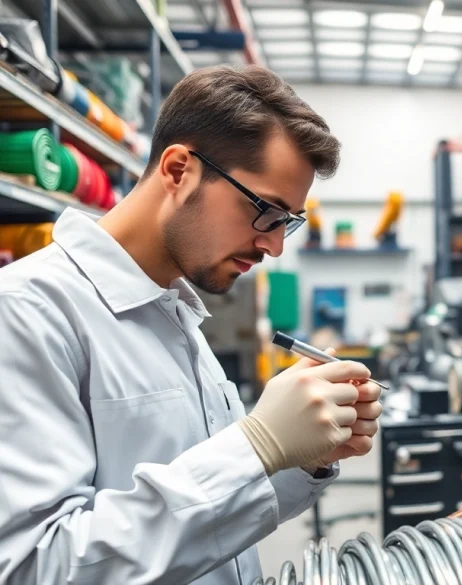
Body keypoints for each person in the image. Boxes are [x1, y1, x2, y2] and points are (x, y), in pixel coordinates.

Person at [0, 65, 382, 584]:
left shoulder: (177, 315)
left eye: (288, 222)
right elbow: (35, 566)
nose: (274, 246)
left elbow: (216, 519)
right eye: (266, 211)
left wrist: (301, 457)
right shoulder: (28, 312)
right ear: (179, 170)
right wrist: (257, 445)